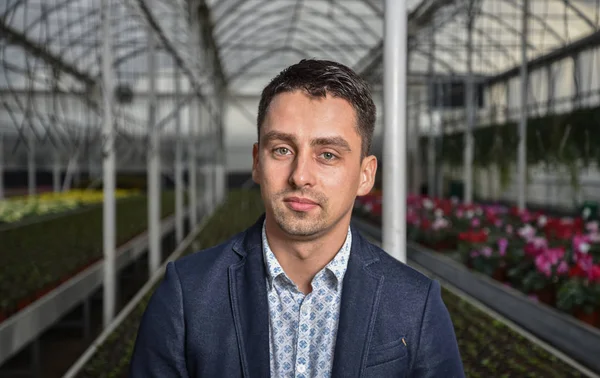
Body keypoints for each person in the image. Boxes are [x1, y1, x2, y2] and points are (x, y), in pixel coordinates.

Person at [129, 59, 465, 377]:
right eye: (282, 150)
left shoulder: (415, 304)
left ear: (365, 175)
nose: (300, 176)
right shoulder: (188, 295)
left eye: (328, 154)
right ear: (257, 162)